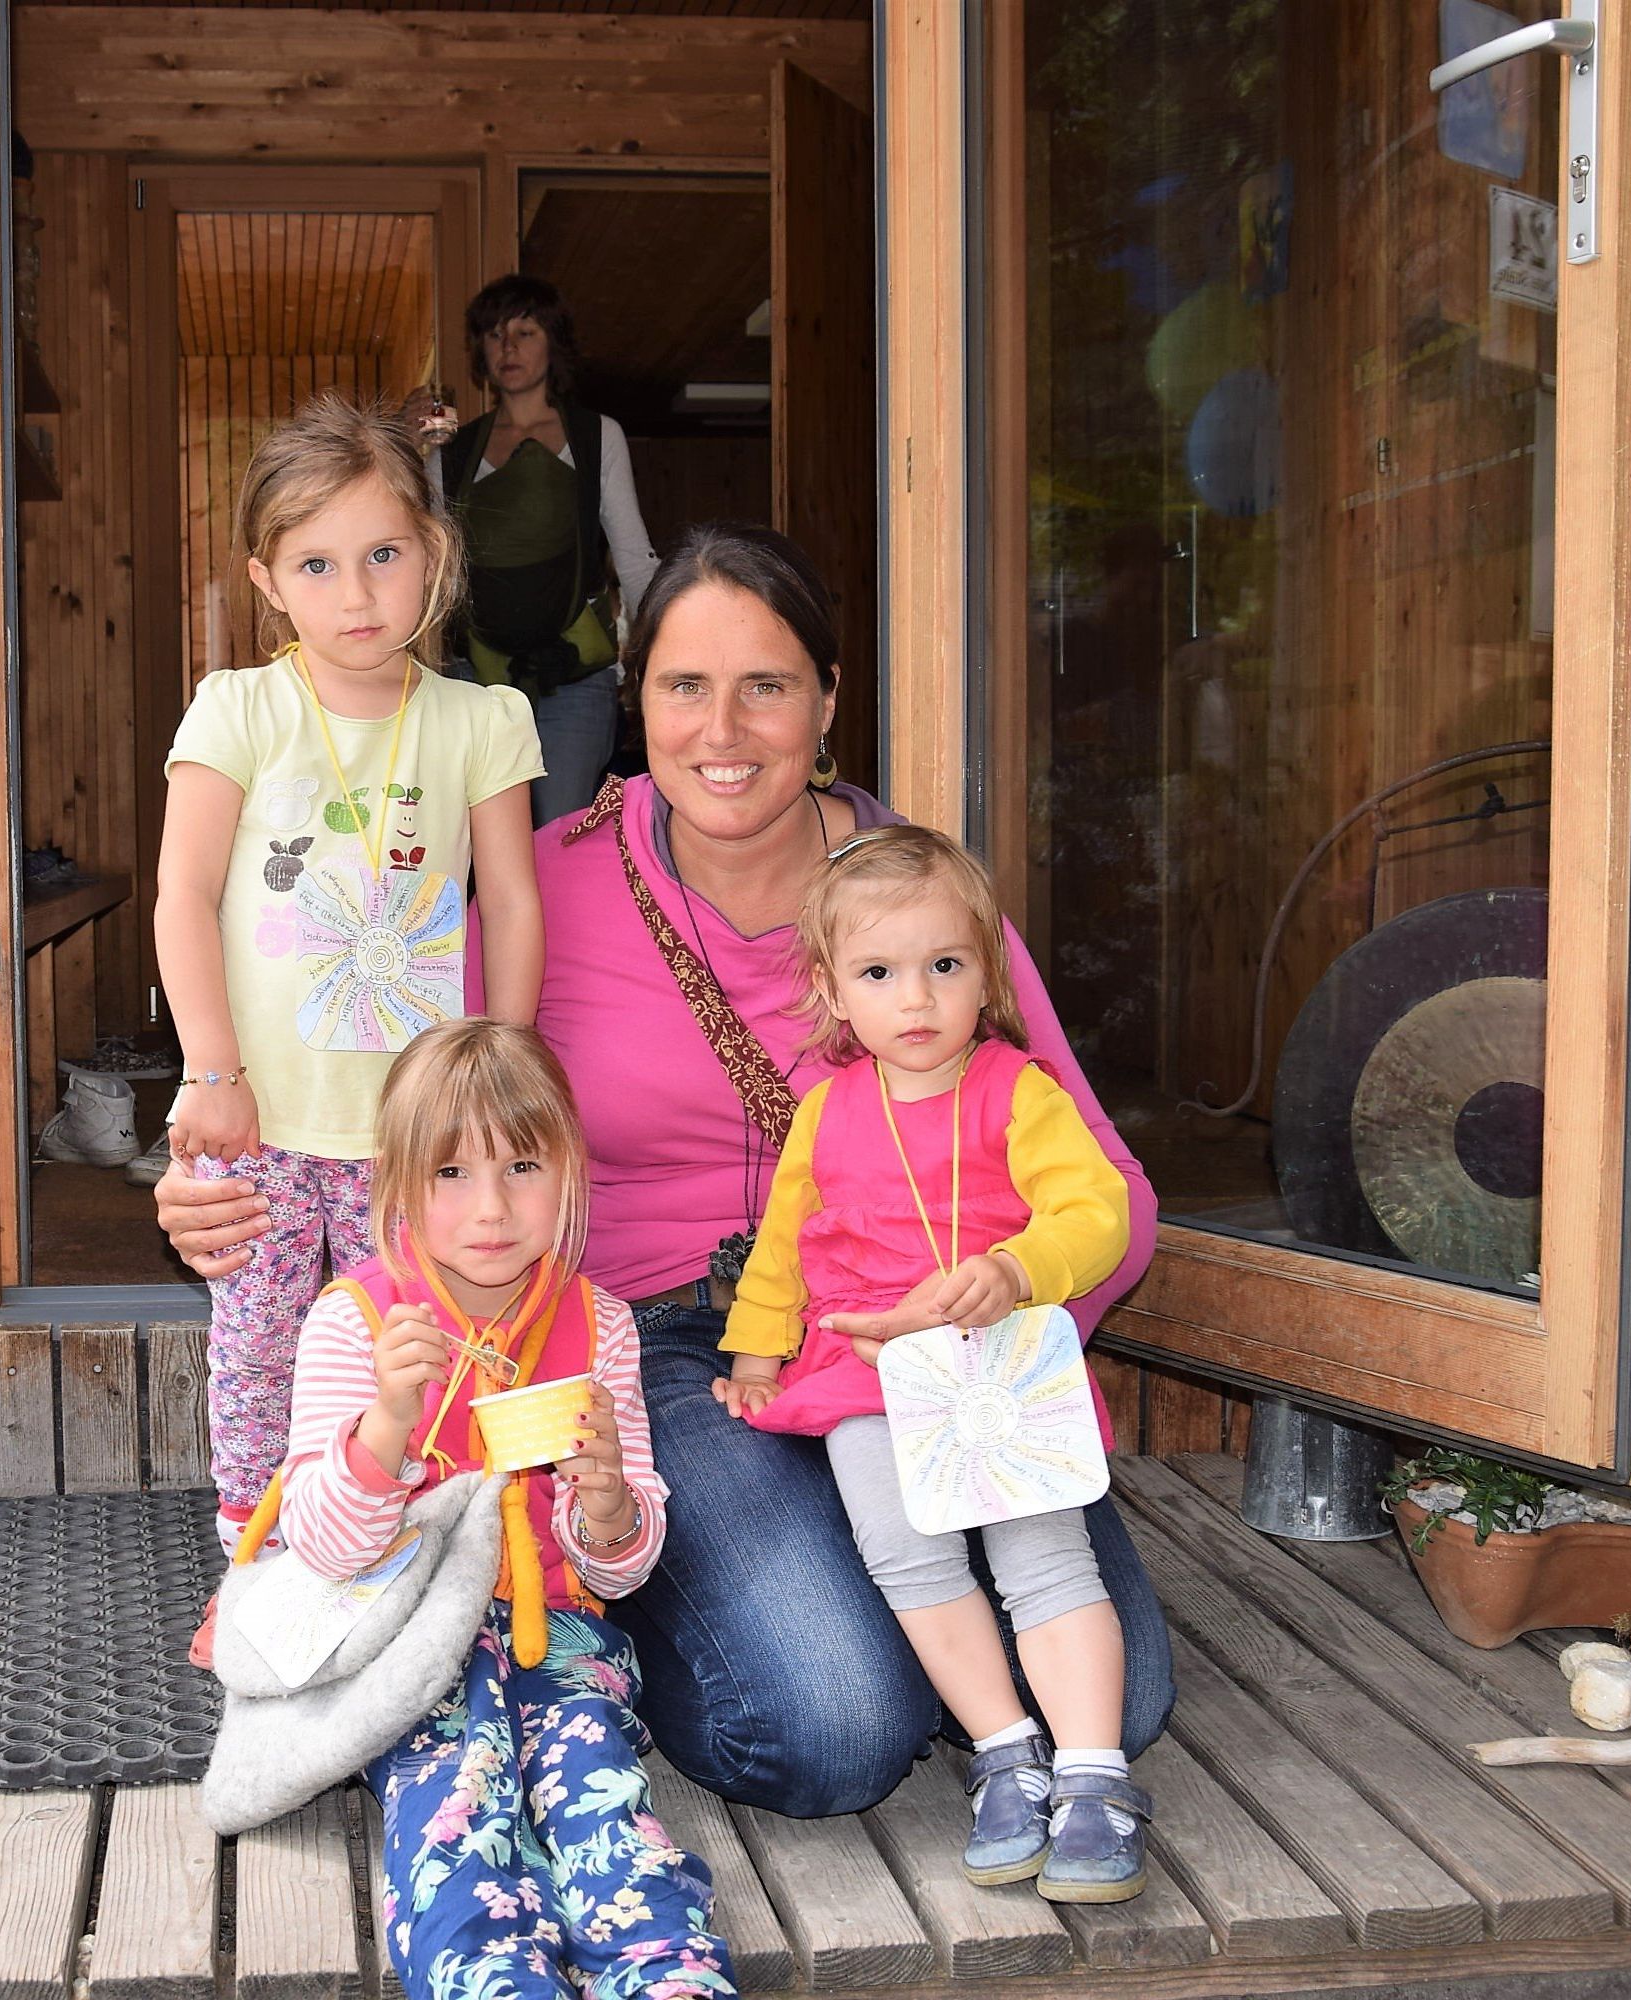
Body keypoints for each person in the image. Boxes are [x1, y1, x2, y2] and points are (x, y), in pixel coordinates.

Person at [163, 523, 1175, 1819]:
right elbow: (382, 1098)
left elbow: (1111, 1196)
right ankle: (620, 1575)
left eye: (765, 684)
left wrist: (1005, 1331)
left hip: (924, 1346)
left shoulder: (919, 908)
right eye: (682, 686)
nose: (724, 728)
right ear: (632, 703)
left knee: (1111, 1702)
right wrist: (216, 1169)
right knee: (833, 1732)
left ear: (825, 700)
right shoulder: (545, 892)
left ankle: (833, 1605)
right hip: (668, 1354)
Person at [719, 826, 1147, 1900]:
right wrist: (755, 1352)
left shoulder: (1018, 1091)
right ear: (831, 991)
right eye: (877, 972)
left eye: (942, 966)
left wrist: (1016, 1266)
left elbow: (1094, 1211)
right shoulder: (825, 1112)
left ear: (984, 975)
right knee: (904, 1553)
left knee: (1045, 1557)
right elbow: (781, 1247)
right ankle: (1003, 1749)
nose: (914, 999)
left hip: (1000, 1367)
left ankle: (1092, 1775)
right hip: (870, 1374)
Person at [268, 1017, 733, 2000]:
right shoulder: (354, 1324)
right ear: (396, 1185)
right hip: (400, 1643)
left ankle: (669, 1975)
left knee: (600, 1804)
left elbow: (620, 1569)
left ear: (568, 1171)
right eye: (450, 1173)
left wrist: (604, 1501)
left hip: (557, 1637)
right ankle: (490, 1977)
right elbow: (320, 1546)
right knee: (456, 1808)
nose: (490, 1207)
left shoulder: (597, 1323)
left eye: (521, 1164)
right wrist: (385, 1425)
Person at [156, 391, 545, 1559]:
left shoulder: (484, 720)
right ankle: (253, 1548)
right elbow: (183, 893)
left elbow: (513, 899)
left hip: (418, 1128)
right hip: (264, 1117)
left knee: (410, 1340)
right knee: (260, 1344)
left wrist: (496, 1077)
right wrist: (208, 1069)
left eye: (384, 554)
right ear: (267, 581)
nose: (358, 592)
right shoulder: (238, 707)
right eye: (317, 564)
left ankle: (396, 1538)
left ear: (435, 553)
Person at [430, 276, 660, 826]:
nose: (507, 348)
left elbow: (633, 558)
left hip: (575, 677)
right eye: (493, 334)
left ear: (552, 342)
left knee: (562, 837)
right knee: (478, 850)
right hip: (472, 679)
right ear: (479, 351)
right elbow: (432, 571)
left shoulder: (596, 435)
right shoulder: (450, 452)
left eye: (524, 332)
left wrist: (663, 664)